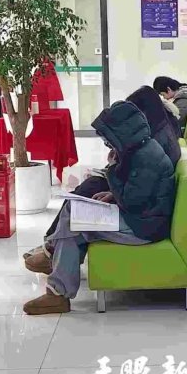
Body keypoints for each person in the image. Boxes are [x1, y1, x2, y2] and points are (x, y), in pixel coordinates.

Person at [23, 101, 176, 315]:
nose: (107, 143)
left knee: (72, 218)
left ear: (123, 132)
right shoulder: (143, 149)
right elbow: (136, 192)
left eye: (108, 138)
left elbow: (132, 201)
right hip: (142, 219)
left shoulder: (146, 157)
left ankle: (57, 287)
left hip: (143, 228)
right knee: (73, 218)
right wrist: (112, 195)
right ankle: (57, 288)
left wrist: (112, 170)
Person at [24, 85, 181, 267]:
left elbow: (134, 196)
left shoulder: (153, 144)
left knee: (82, 202)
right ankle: (53, 249)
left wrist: (113, 170)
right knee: (81, 199)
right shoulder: (152, 136)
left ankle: (51, 250)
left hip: (143, 222)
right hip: (143, 211)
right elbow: (139, 184)